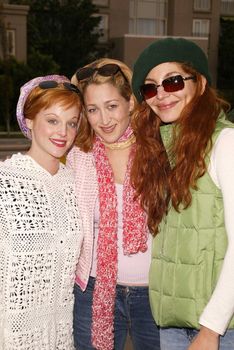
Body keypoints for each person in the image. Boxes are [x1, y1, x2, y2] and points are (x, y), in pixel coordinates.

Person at [130, 37, 234, 350]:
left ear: (200, 84)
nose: (161, 95)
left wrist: (211, 330)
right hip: (173, 323)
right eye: (150, 87)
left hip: (218, 329)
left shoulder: (224, 143)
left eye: (173, 81)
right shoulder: (162, 150)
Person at [66, 58, 160, 350]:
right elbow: (37, 122)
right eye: (93, 109)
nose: (104, 120)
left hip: (156, 294)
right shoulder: (76, 156)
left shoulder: (159, 149)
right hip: (94, 290)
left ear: (131, 103)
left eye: (112, 106)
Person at [0, 75, 84, 349]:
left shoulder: (76, 183)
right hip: (12, 335)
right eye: (52, 120)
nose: (63, 132)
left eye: (71, 123)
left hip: (60, 335)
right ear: (30, 120)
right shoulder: (5, 181)